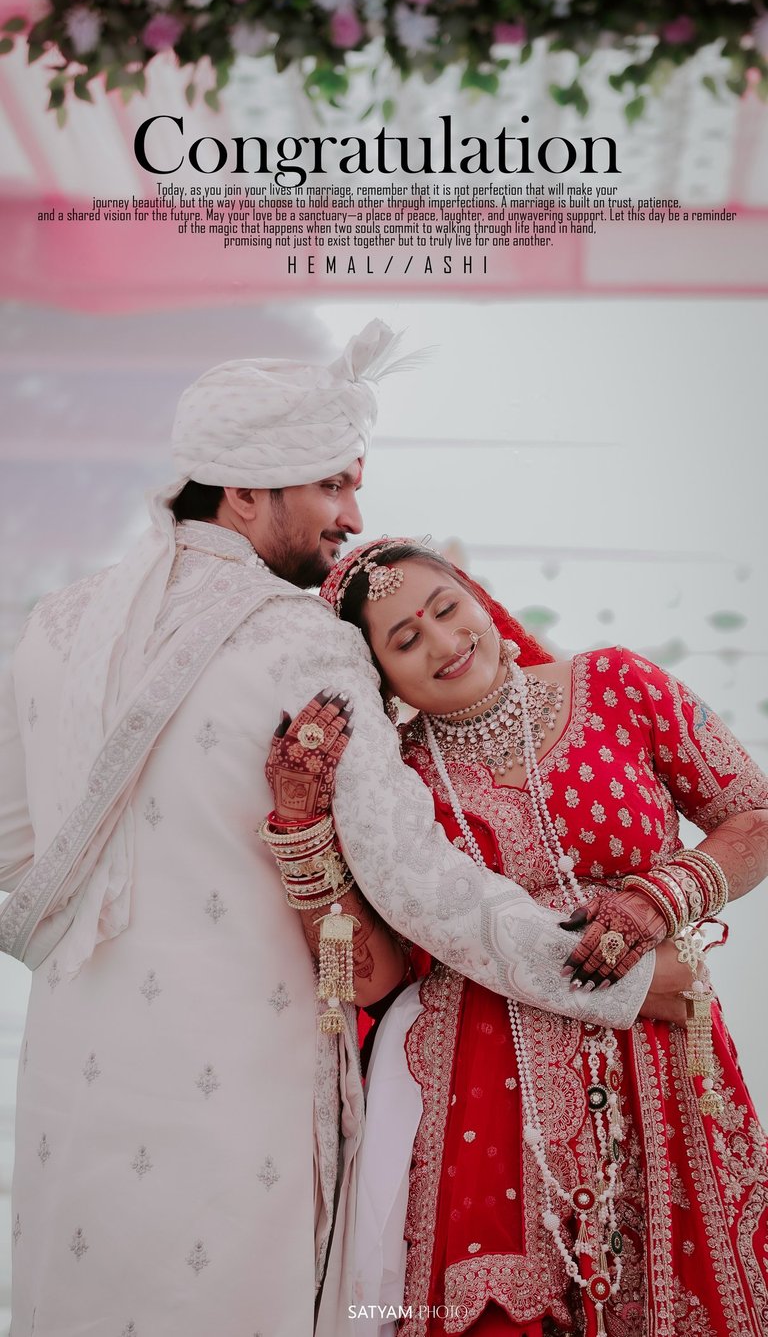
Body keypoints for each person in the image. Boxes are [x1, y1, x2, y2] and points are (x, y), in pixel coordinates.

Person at [0, 322, 682, 1337]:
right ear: (244, 489)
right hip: (241, 1083)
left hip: (75, 1075)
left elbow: (18, 859)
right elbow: (422, 882)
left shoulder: (55, 624)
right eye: (330, 485)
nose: (351, 516)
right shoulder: (297, 640)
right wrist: (615, 974)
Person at [262, 536, 768, 1337]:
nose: (442, 641)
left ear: (477, 593)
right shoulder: (400, 783)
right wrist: (302, 830)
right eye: (405, 640)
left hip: (659, 1050)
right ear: (381, 676)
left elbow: (756, 815)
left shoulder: (617, 684)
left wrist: (656, 900)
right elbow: (372, 976)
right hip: (485, 1096)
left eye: (445, 608)